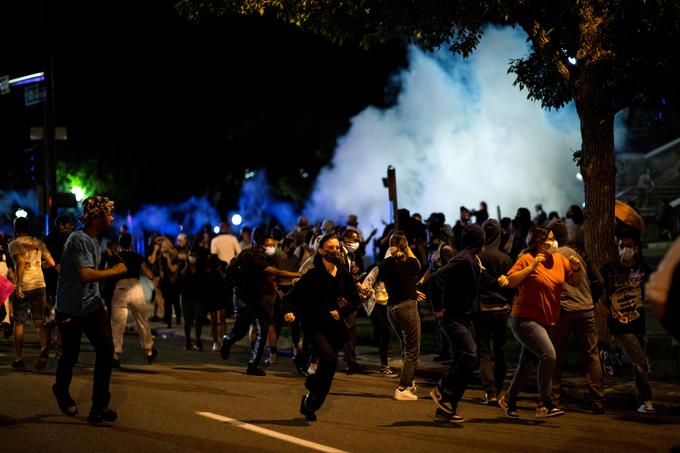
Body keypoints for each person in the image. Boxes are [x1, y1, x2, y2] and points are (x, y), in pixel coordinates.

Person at [52, 196, 128, 424]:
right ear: (97, 217)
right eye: (108, 213)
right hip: (70, 309)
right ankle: (61, 389)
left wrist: (105, 274)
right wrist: (114, 272)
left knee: (106, 350)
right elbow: (85, 275)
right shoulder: (78, 239)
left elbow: (92, 277)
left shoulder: (96, 241)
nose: (112, 217)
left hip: (92, 306)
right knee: (70, 356)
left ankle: (99, 408)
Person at [497, 226, 580, 418]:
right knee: (549, 355)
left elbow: (574, 282)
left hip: (548, 320)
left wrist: (575, 269)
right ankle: (545, 403)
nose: (554, 242)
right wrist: (532, 267)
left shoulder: (559, 260)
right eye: (549, 239)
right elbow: (510, 281)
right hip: (525, 319)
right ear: (538, 243)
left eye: (554, 238)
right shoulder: (527, 259)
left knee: (527, 365)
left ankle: (508, 399)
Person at [282, 233, 361, 421]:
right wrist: (288, 312)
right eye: (330, 248)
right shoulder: (313, 274)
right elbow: (291, 297)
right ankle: (310, 380)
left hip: (334, 327)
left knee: (328, 366)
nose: (336, 251)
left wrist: (341, 313)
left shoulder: (343, 273)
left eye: (337, 247)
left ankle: (311, 403)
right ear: (321, 251)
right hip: (313, 324)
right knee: (329, 359)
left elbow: (355, 299)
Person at [220, 228, 300, 376]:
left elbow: (270, 278)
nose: (272, 246)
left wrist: (276, 291)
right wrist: (299, 274)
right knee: (240, 331)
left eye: (273, 243)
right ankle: (228, 339)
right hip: (245, 298)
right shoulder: (253, 256)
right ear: (258, 242)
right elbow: (276, 272)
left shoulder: (261, 256)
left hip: (259, 298)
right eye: (269, 243)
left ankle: (253, 364)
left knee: (263, 330)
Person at [546, 219, 605, 414]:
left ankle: (553, 399)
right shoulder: (580, 254)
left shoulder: (553, 256)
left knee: (554, 354)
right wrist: (590, 300)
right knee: (591, 354)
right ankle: (597, 401)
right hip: (586, 309)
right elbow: (598, 281)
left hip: (564, 311)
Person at [428, 224, 485, 422]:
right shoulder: (463, 259)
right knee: (470, 355)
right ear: (480, 241)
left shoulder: (472, 260)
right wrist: (437, 308)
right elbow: (435, 279)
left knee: (465, 358)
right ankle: (443, 390)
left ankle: (446, 408)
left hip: (463, 317)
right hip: (452, 317)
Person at [601, 232, 655, 413]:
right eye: (621, 245)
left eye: (629, 245)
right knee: (641, 362)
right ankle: (645, 400)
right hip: (620, 324)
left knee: (635, 363)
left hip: (639, 323)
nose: (625, 248)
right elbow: (597, 291)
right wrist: (602, 307)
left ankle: (611, 357)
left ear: (636, 248)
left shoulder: (643, 269)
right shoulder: (608, 270)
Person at [379, 231, 425, 401]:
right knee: (413, 349)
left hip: (391, 309)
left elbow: (397, 280)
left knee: (406, 346)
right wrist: (407, 249)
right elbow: (418, 265)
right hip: (407, 307)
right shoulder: (410, 262)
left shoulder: (384, 264)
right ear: (405, 246)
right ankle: (402, 388)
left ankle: (410, 382)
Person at [474, 219, 514, 405]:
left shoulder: (477, 257)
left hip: (481, 309)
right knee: (501, 350)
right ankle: (498, 390)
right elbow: (511, 286)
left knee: (483, 351)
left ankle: (489, 392)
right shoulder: (505, 258)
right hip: (501, 310)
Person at [8, 217, 56, 370]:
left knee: (19, 321)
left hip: (25, 285)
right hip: (39, 284)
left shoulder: (14, 244)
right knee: (39, 320)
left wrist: (19, 285)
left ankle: (18, 358)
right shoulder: (38, 243)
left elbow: (21, 262)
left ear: (16, 229)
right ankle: (43, 347)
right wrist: (37, 265)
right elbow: (51, 263)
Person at [108, 232, 157, 367]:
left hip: (120, 289)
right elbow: (150, 274)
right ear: (131, 244)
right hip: (136, 289)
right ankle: (149, 350)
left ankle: (116, 355)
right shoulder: (137, 257)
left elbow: (106, 274)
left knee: (117, 325)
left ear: (118, 244)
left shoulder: (114, 258)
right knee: (142, 321)